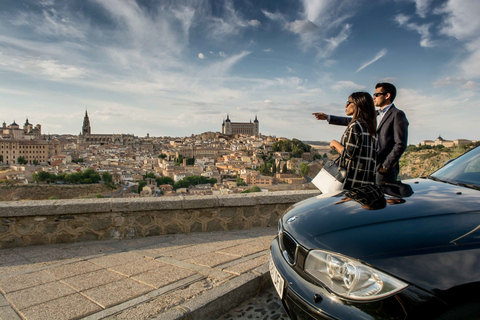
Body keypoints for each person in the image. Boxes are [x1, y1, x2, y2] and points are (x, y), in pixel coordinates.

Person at [313, 82, 408, 184]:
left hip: (383, 169)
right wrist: (328, 117)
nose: (373, 98)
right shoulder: (374, 115)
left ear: (387, 95)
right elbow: (353, 121)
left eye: (376, 95)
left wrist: (385, 165)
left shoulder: (397, 114)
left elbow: (400, 144)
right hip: (369, 167)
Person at [327, 92, 377, 190]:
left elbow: (349, 154)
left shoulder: (355, 125)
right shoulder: (370, 126)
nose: (346, 105)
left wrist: (335, 143)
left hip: (351, 181)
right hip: (366, 181)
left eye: (349, 102)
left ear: (358, 104)